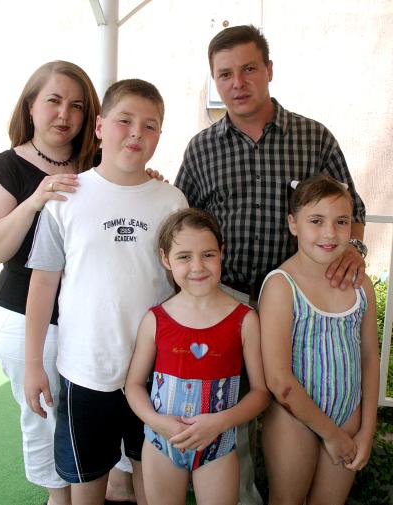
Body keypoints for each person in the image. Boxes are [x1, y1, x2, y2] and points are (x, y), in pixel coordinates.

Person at [174, 24, 368, 504]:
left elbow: (353, 213)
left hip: (301, 303)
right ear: (214, 80)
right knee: (231, 420)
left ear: (269, 71)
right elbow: (182, 220)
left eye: (248, 69)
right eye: (224, 74)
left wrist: (352, 252)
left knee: (293, 405)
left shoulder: (313, 136)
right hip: (229, 303)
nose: (237, 82)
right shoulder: (201, 149)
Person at [24, 78, 188, 505]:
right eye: (124, 120)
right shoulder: (66, 198)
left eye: (150, 126)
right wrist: (32, 365)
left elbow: (186, 285)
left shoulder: (171, 201)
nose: (136, 133)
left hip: (156, 371)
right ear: (99, 126)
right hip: (85, 370)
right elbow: (43, 283)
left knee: (150, 481)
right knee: (87, 483)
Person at [0, 60, 100, 505]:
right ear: (31, 106)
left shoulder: (97, 165)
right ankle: (58, 497)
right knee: (41, 413)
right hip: (23, 314)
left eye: (76, 106)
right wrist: (36, 199)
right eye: (53, 101)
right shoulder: (6, 165)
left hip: (85, 314)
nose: (64, 114)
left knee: (84, 415)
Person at [125, 208, 270, 505]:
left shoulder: (245, 319)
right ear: (165, 259)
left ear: (222, 252)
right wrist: (157, 421)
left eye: (208, 254)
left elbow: (260, 393)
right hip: (162, 441)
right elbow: (134, 385)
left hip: (218, 444)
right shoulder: (156, 319)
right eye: (184, 257)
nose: (197, 266)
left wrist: (219, 423)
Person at [258, 174, 379, 505]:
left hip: (348, 414)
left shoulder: (360, 284)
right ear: (293, 224)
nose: (330, 233)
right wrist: (332, 435)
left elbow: (370, 358)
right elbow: (279, 380)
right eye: (316, 221)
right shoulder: (282, 286)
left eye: (341, 222)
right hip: (292, 418)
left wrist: (366, 431)